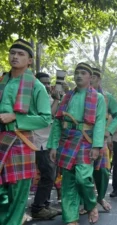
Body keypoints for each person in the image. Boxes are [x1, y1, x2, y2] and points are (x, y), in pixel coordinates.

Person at [0, 39, 52, 225]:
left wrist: (16, 117)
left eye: (21, 54)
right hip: (1, 141)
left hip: (21, 142)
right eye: (12, 52)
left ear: (30, 60)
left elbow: (46, 118)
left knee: (18, 194)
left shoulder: (36, 86)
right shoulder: (2, 81)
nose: (15, 56)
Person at [48, 62, 106, 225]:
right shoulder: (67, 97)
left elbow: (100, 122)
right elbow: (58, 121)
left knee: (83, 177)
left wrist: (96, 146)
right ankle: (71, 219)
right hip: (66, 140)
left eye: (83, 73)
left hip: (85, 141)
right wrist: (53, 145)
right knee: (68, 182)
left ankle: (90, 204)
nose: (79, 76)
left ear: (90, 77)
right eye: (77, 73)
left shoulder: (98, 98)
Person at [89, 68, 117, 211]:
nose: (91, 79)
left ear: (99, 79)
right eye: (89, 76)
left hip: (101, 139)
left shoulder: (107, 97)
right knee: (84, 172)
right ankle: (86, 202)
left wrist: (109, 131)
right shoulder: (78, 95)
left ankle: (100, 198)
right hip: (82, 138)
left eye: (95, 76)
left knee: (102, 171)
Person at [31, 72, 62, 220]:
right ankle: (37, 208)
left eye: (48, 82)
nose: (47, 85)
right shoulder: (35, 97)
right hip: (39, 142)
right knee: (48, 175)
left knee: (51, 175)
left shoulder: (49, 97)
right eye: (43, 83)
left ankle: (45, 204)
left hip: (49, 142)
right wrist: (56, 100)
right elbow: (48, 116)